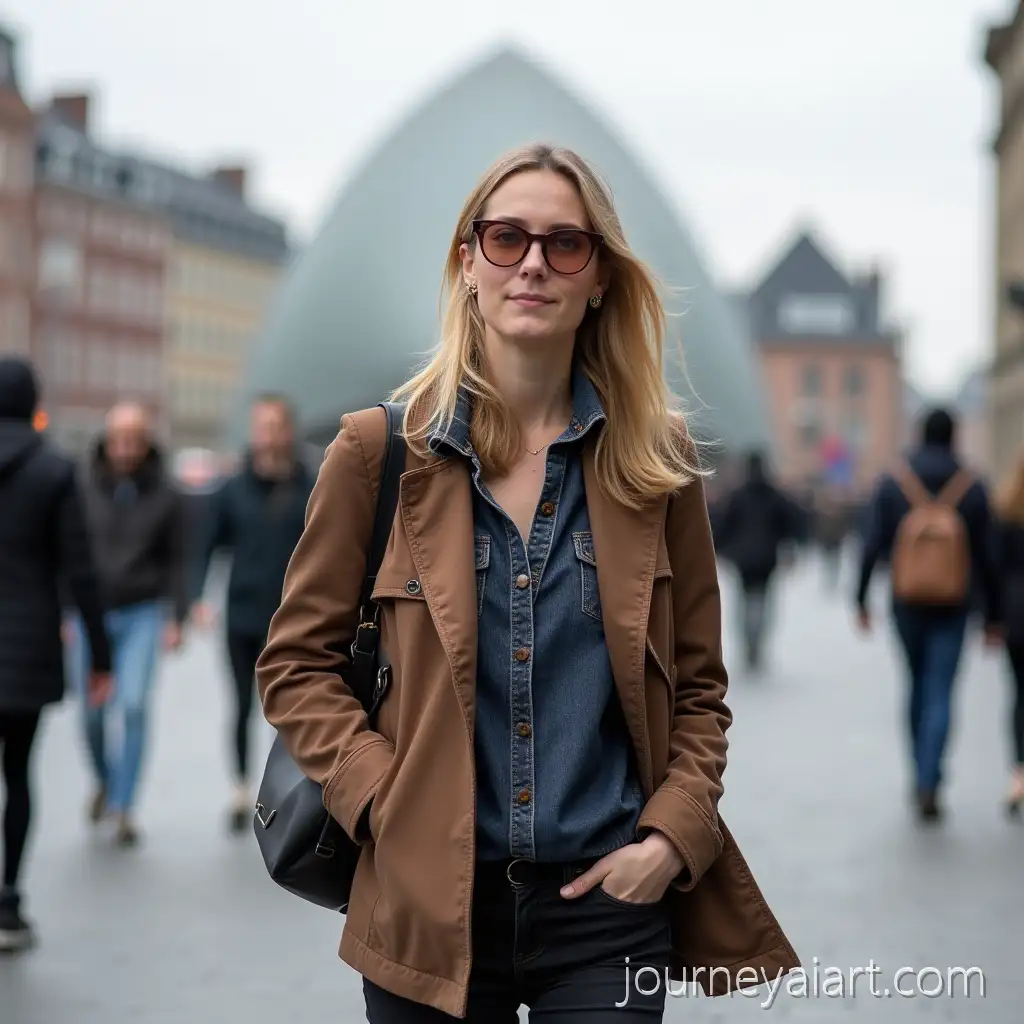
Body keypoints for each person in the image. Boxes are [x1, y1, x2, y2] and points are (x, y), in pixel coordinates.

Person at [255, 143, 798, 1022]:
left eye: (565, 244)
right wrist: (380, 797)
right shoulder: (375, 454)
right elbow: (294, 667)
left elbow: (699, 690)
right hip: (425, 908)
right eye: (505, 239)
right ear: (467, 265)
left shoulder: (659, 471)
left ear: (600, 281)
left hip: (607, 916)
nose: (534, 262)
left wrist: (670, 836)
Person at [0, 357, 112, 951]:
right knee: (17, 774)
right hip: (26, 648)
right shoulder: (52, 470)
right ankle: (9, 904)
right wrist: (102, 655)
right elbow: (80, 569)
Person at [855, 407, 1001, 821]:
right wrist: (994, 617)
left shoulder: (895, 480)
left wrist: (861, 598)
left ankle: (918, 772)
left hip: (907, 602)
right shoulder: (971, 485)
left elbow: (872, 542)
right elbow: (989, 558)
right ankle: (930, 776)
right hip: (955, 604)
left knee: (916, 684)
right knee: (941, 688)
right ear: (955, 436)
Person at [189, 394, 314, 832]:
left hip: (292, 618)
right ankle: (241, 789)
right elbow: (207, 545)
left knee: (286, 709)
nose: (269, 435)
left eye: (276, 425)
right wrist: (198, 598)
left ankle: (282, 792)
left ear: (289, 430)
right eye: (262, 426)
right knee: (240, 704)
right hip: (241, 614)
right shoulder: (231, 489)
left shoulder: (310, 485)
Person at [66, 402, 187, 847]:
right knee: (92, 715)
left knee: (134, 705)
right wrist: (65, 611)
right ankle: (105, 780)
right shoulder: (82, 486)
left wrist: (177, 616)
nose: (125, 450)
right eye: (118, 439)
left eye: (134, 440)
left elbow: (177, 559)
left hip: (141, 612)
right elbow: (66, 551)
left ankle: (122, 806)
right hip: (88, 613)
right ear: (106, 439)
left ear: (146, 441)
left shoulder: (166, 492)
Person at [714, 451, 803, 670]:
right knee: (763, 602)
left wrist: (720, 549)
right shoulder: (775, 494)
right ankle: (758, 641)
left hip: (742, 559)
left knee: (743, 602)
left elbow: (724, 524)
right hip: (767, 559)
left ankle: (748, 641)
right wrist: (790, 550)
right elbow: (791, 523)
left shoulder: (737, 495)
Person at [991, 452, 1024, 816]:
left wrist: (993, 619)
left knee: (1019, 696)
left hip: (1017, 616)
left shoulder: (1008, 512)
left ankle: (1019, 772)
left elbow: (994, 569)